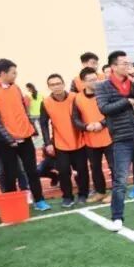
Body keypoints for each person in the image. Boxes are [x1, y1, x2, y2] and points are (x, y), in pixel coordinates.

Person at [0, 58, 50, 211]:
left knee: (32, 171)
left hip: (25, 137)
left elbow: (23, 110)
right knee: (10, 174)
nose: (15, 75)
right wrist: (8, 138)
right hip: (6, 141)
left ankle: (39, 200)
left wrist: (31, 127)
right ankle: (13, 205)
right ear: (3, 73)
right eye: (13, 72)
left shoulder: (16, 87)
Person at [96, 50, 134, 229]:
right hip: (121, 138)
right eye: (124, 64)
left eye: (129, 63)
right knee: (120, 179)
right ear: (113, 67)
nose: (128, 66)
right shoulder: (103, 86)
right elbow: (104, 108)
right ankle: (117, 217)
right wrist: (127, 101)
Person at [39, 73, 89, 208]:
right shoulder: (46, 103)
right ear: (49, 87)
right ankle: (67, 197)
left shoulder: (75, 97)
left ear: (63, 84)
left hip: (79, 140)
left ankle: (83, 194)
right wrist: (48, 143)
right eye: (52, 85)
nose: (56, 87)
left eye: (58, 83)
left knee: (82, 170)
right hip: (60, 143)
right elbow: (43, 124)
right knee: (64, 171)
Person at [72, 67, 112, 204]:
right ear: (83, 82)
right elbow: (75, 119)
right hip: (90, 139)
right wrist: (86, 126)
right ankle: (100, 191)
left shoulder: (106, 93)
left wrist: (102, 123)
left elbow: (113, 112)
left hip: (109, 137)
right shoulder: (77, 98)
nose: (95, 82)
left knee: (114, 166)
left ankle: (117, 192)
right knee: (95, 168)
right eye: (91, 80)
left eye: (96, 79)